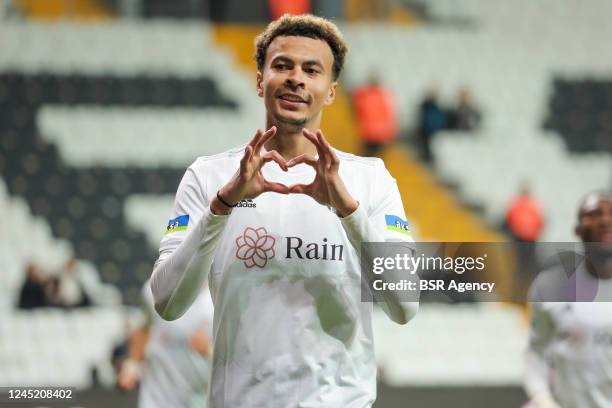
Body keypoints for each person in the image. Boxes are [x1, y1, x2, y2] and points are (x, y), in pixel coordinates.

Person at [150, 14, 417, 407]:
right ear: (260, 81)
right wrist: (222, 207)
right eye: (282, 66)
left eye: (312, 70)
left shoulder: (370, 180)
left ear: (330, 91)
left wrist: (347, 211)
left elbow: (405, 305)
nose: (296, 78)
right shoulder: (209, 177)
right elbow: (167, 302)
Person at [524, 191, 612, 408]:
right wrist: (543, 399)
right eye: (594, 214)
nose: (605, 220)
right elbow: (535, 352)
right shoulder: (551, 289)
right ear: (578, 230)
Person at [118, 280, 214, 408]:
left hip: (199, 398)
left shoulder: (219, 301)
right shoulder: (154, 289)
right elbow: (144, 328)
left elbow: (242, 359)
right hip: (156, 396)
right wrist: (132, 365)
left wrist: (209, 350)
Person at [352, 71, 399, 157]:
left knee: (365, 159)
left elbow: (357, 111)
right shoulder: (384, 95)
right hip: (380, 134)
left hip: (368, 133)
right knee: (376, 160)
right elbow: (390, 115)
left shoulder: (363, 95)